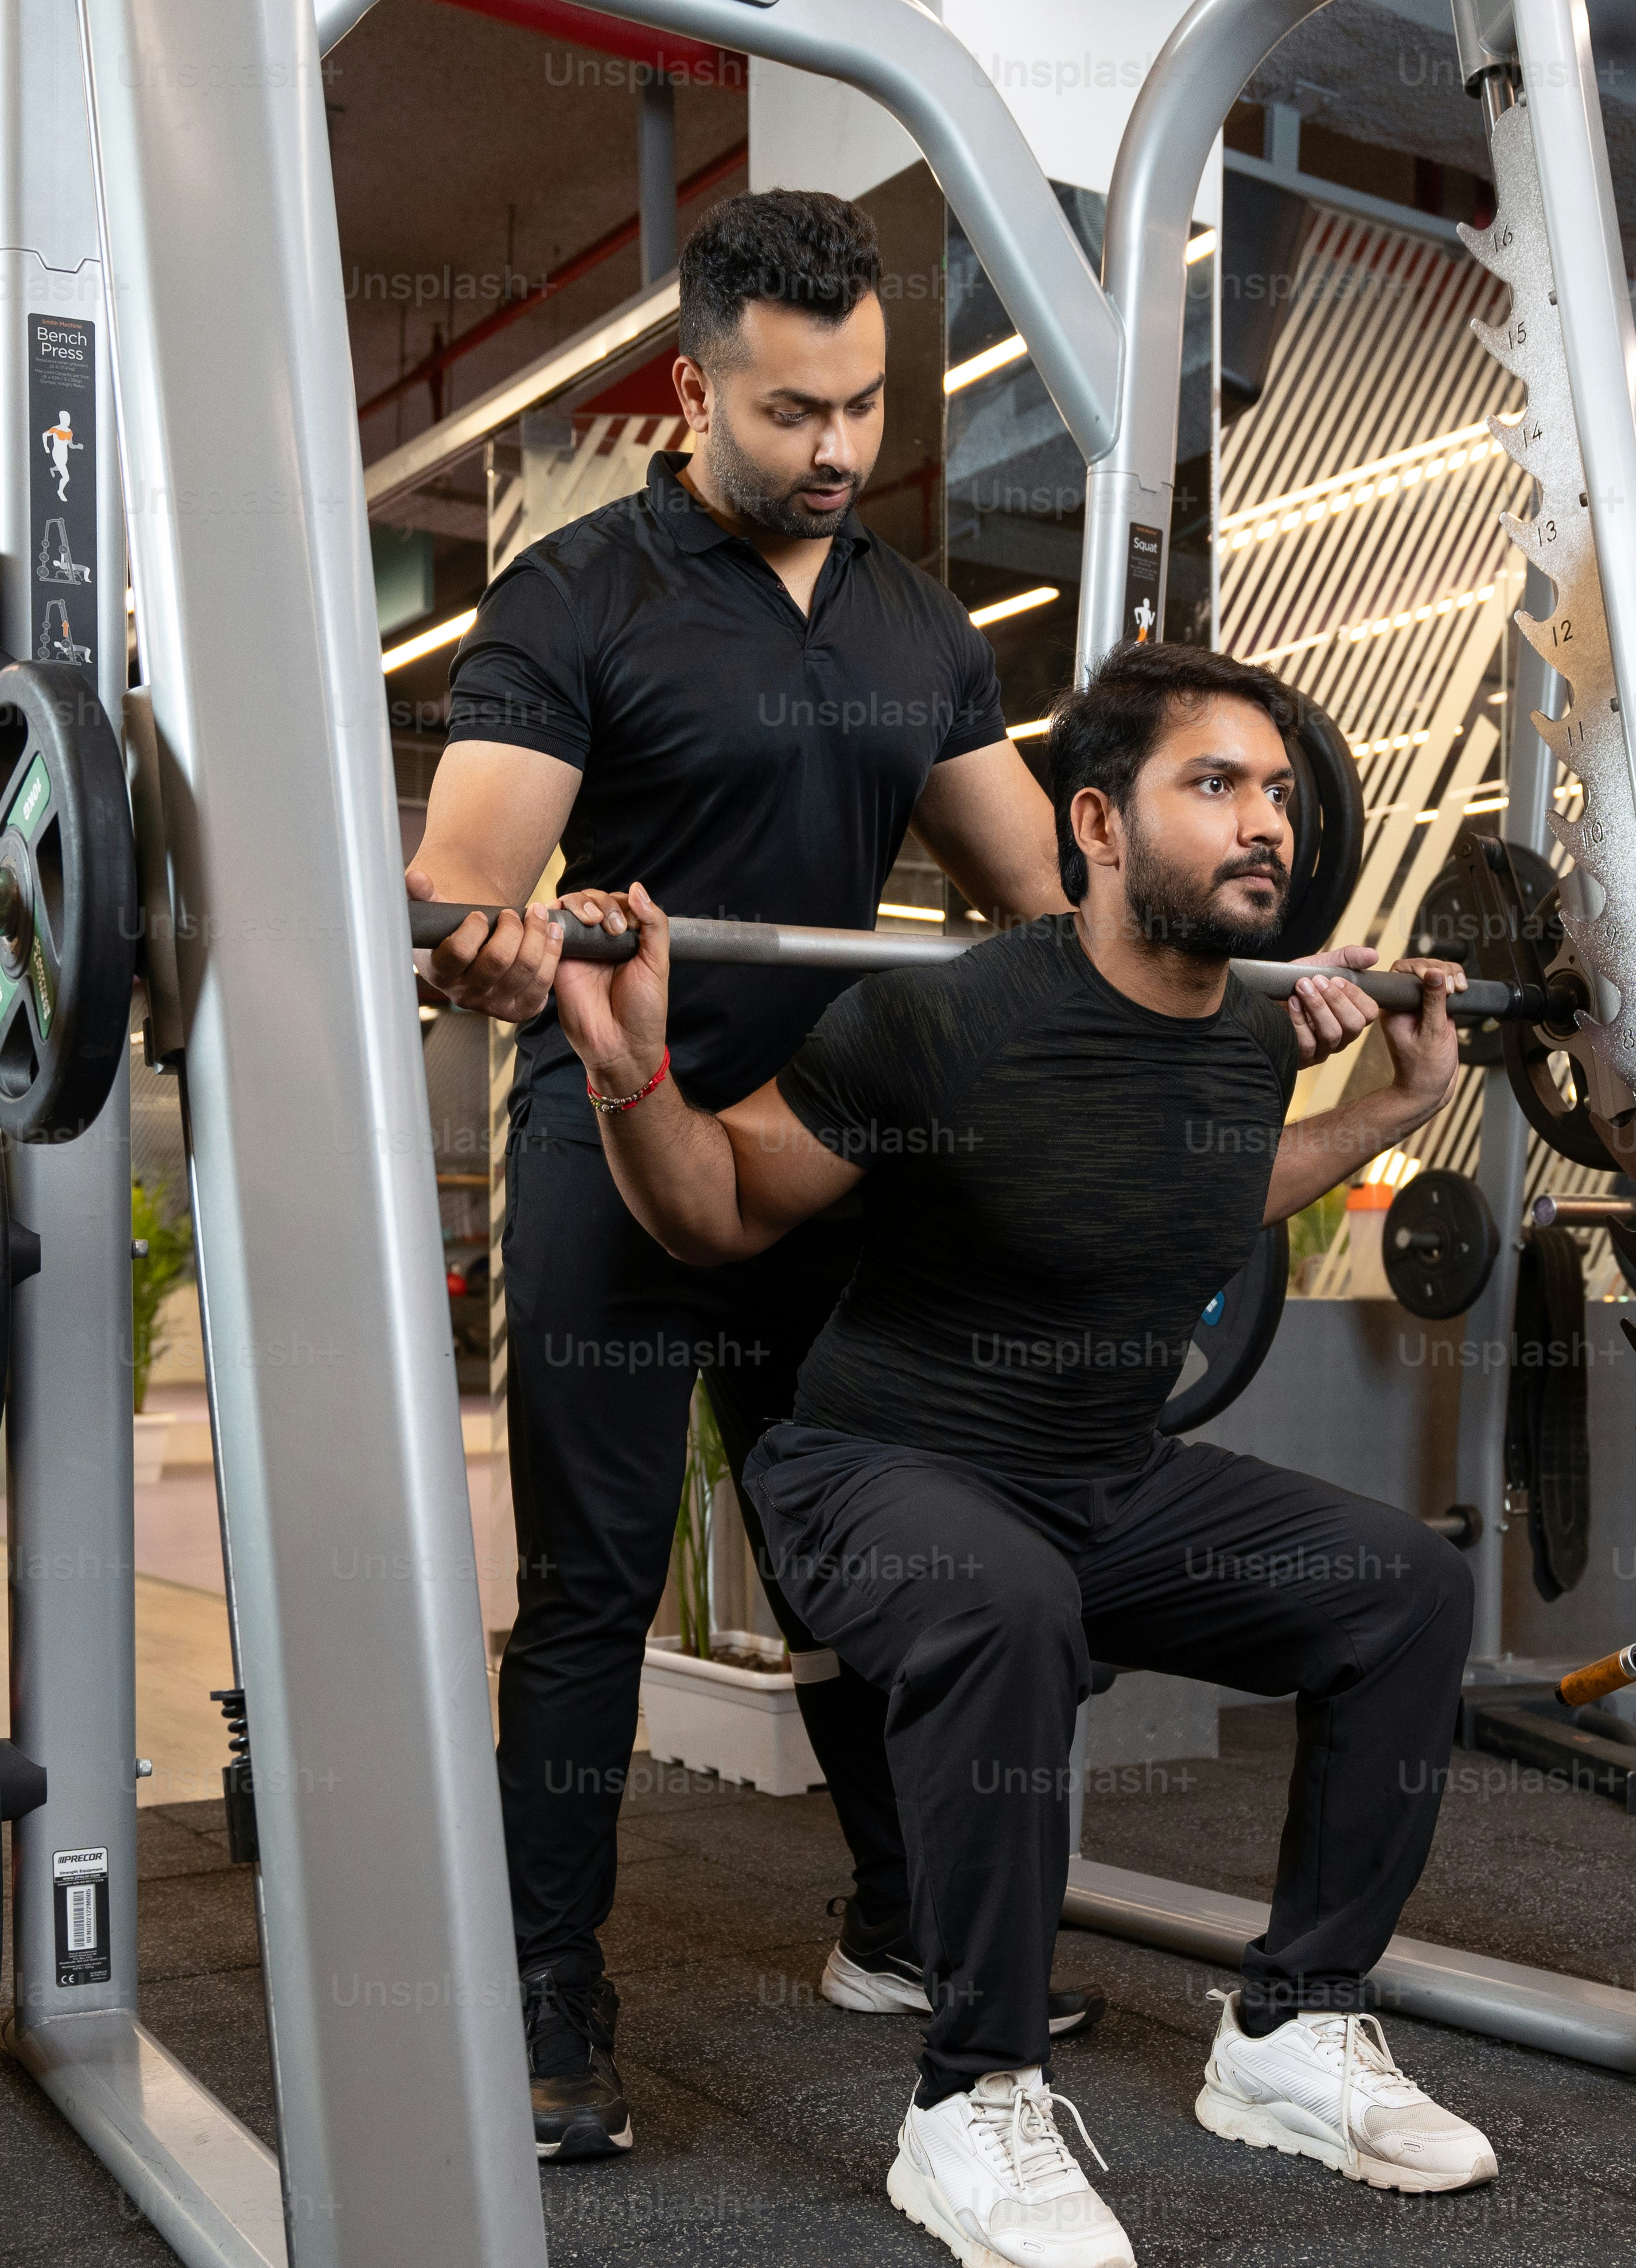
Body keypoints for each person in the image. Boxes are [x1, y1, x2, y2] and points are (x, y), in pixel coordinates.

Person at [551, 643, 1495, 2268]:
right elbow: (716, 1208)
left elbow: (1221, 1190)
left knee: (1406, 1590)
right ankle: (973, 2094)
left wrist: (1393, 1103)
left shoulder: (1251, 1031)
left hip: (1103, 1475)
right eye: (1214, 785)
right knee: (1007, 1601)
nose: (1265, 821)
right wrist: (631, 1065)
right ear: (1097, 824)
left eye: (1277, 791)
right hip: (873, 1471)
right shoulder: (940, 1018)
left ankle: (1292, 2025)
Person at [408, 189, 1093, 2160]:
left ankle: (897, 1915)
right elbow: (474, 876)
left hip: (818, 1157)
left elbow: (1039, 898)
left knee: (866, 1545)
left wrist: (1181, 994)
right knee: (595, 1589)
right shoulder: (579, 595)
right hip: (613, 1129)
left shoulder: (911, 629)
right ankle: (550, 1999)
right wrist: (495, 934)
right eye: (797, 412)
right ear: (696, 385)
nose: (841, 450)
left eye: (867, 406)